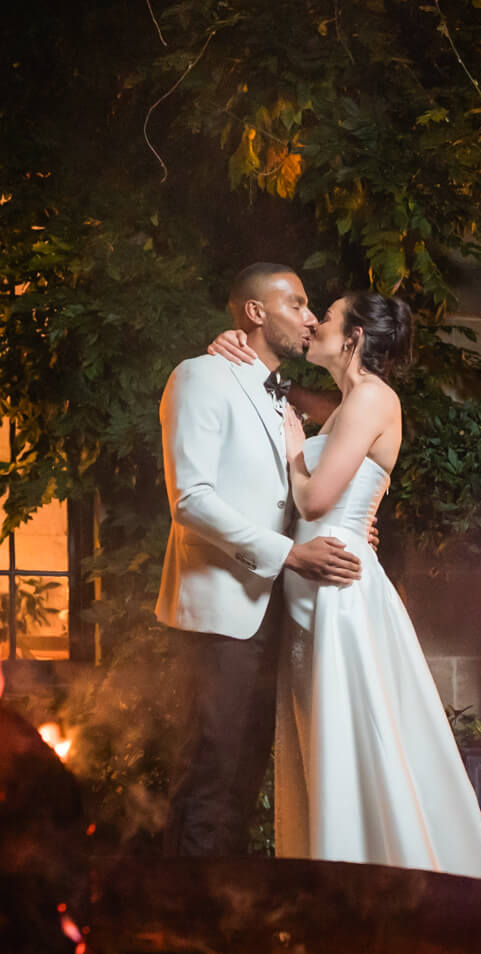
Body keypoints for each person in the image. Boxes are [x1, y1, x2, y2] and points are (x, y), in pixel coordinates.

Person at [211, 292, 481, 879]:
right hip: (316, 579)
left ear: (352, 338)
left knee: (350, 733)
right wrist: (232, 351)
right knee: (325, 735)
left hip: (338, 592)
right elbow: (302, 437)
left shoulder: (373, 398)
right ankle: (334, 870)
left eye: (325, 316)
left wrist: (297, 450)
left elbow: (316, 498)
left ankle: (366, 873)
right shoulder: (349, 402)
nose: (313, 323)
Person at [155, 263, 364, 859]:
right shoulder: (200, 376)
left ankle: (223, 920)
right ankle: (179, 927)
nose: (309, 317)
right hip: (219, 614)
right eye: (296, 305)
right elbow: (190, 500)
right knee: (209, 777)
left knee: (244, 782)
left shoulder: (279, 397)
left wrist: (355, 520)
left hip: (272, 610)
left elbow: (296, 489)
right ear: (254, 313)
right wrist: (291, 553)